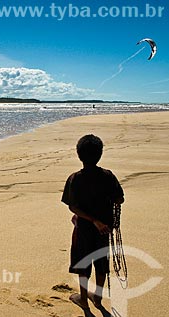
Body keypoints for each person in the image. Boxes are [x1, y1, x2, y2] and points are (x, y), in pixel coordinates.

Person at [61, 134, 124, 316]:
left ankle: (83, 299)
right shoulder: (108, 176)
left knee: (84, 264)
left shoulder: (75, 179)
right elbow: (120, 199)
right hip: (104, 229)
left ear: (79, 155)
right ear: (100, 154)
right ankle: (97, 297)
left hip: (84, 229)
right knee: (101, 263)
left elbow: (72, 206)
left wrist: (92, 220)